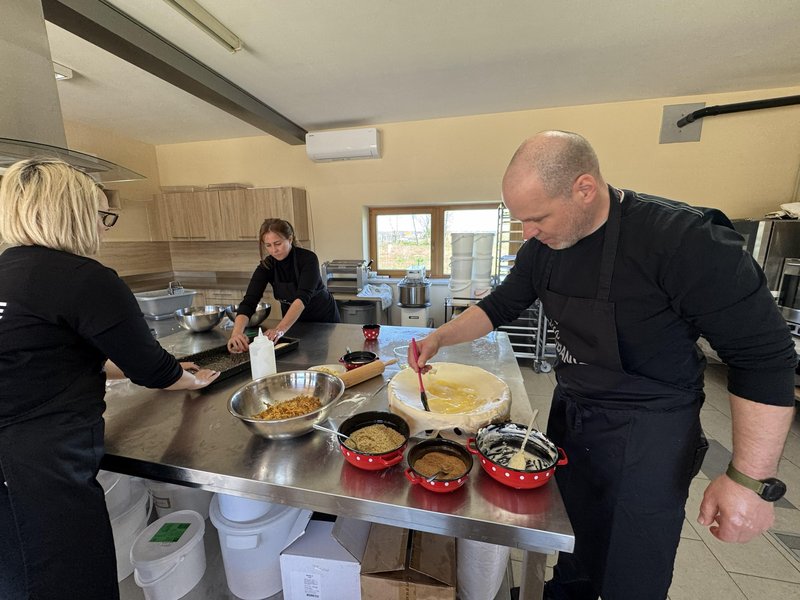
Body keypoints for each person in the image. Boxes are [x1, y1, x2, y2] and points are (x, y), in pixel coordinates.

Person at [412, 131, 796, 600]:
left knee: (630, 571)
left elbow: (763, 357)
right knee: (573, 545)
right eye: (521, 220)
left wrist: (747, 481)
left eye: (537, 217)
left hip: (649, 436)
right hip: (575, 415)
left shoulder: (684, 240)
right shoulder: (543, 248)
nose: (528, 232)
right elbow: (500, 306)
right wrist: (439, 337)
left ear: (584, 188)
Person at [0, 159, 220, 599]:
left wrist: (173, 371)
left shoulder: (8, 273)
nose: (104, 229)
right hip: (37, 470)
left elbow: (62, 359)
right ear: (73, 212)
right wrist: (188, 380)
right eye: (100, 216)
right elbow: (152, 369)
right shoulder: (84, 278)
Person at [227, 218, 339, 352]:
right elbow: (249, 301)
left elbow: (302, 298)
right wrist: (237, 333)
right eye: (268, 245)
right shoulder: (266, 266)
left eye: (277, 243)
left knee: (320, 358)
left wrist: (279, 330)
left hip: (323, 320)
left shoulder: (308, 259)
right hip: (291, 322)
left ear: (290, 239)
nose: (274, 250)